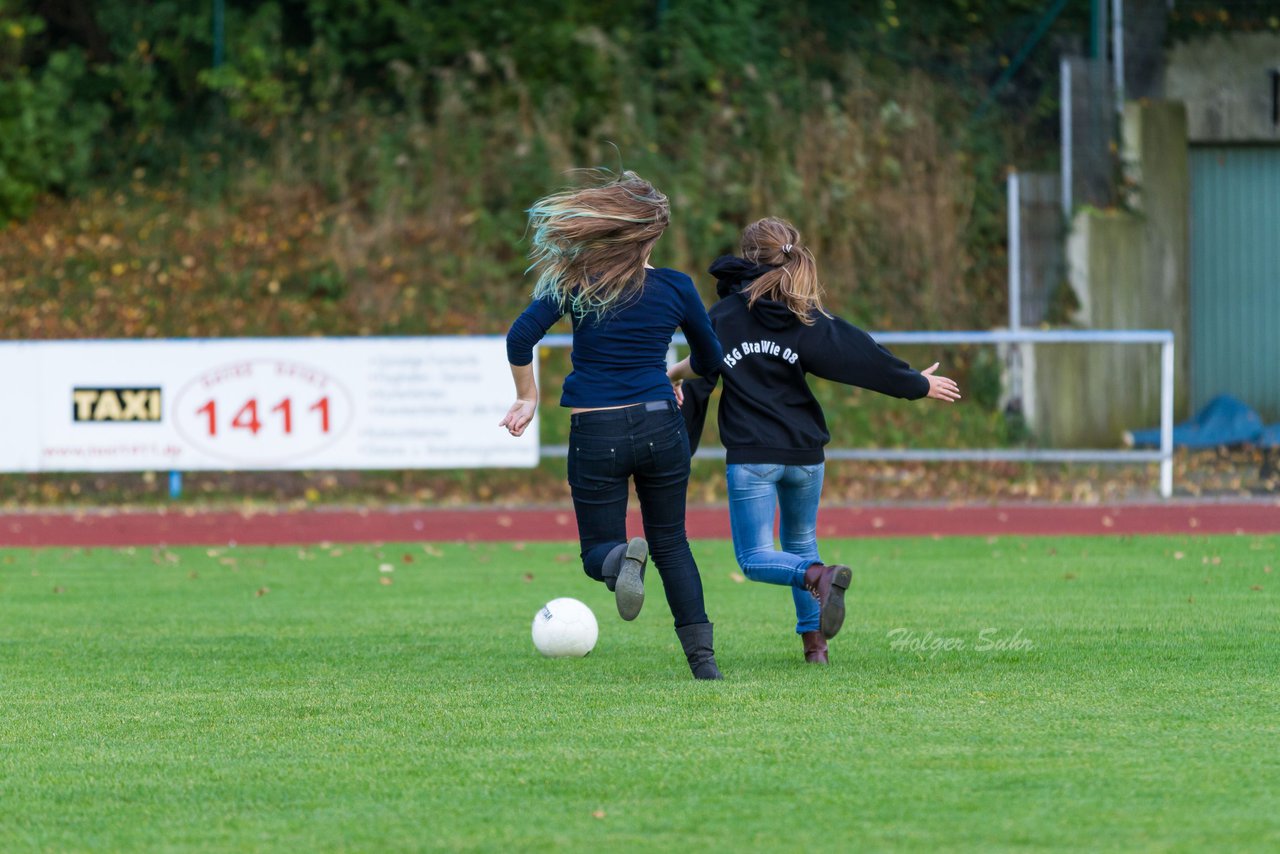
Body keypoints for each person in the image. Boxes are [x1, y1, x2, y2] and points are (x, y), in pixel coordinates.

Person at [669, 216, 960, 665]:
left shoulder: (724, 317)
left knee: (756, 558)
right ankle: (815, 648)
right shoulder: (805, 315)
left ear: (748, 259)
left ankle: (819, 575)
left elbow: (704, 370)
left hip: (753, 458)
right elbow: (860, 355)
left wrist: (674, 414)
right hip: (807, 457)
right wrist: (913, 383)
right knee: (801, 540)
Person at [501, 170, 726, 680]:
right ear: (653, 235)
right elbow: (712, 359)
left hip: (596, 430)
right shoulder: (676, 286)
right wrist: (671, 372)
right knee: (672, 542)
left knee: (595, 552)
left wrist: (527, 397)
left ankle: (622, 556)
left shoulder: (575, 281)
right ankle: (704, 664)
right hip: (659, 423)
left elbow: (519, 339)